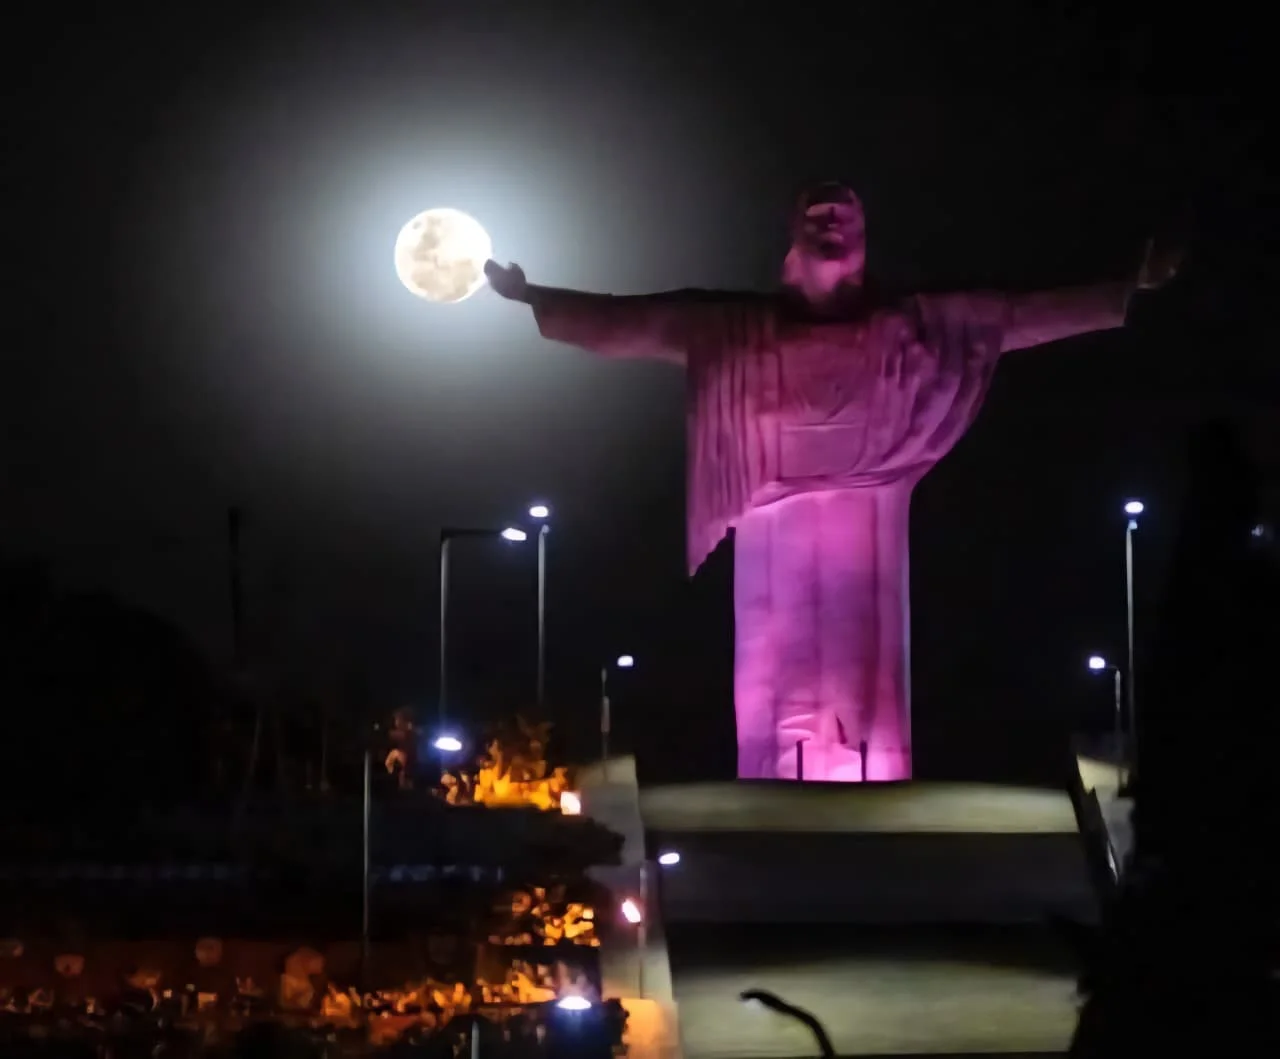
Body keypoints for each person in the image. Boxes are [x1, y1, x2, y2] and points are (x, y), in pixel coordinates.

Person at [485, 183, 1179, 780]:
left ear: (865, 237)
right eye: (817, 214)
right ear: (793, 236)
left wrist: (1122, 289)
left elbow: (1013, 316)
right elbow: (632, 322)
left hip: (871, 513)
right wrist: (534, 296)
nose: (831, 223)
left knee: (867, 680)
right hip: (771, 518)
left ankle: (869, 780)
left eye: (844, 214)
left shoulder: (910, 330)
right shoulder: (735, 329)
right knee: (774, 674)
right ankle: (776, 779)